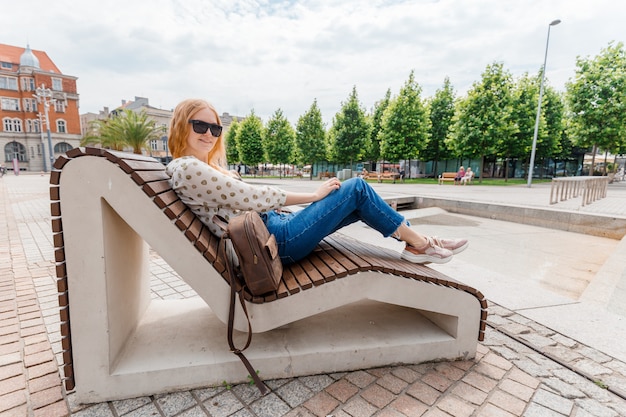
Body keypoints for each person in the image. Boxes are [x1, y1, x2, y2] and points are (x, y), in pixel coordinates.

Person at [165, 99, 468, 265]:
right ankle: (420, 244)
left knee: (357, 200)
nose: (209, 134)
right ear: (182, 126)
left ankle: (420, 241)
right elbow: (252, 196)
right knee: (356, 188)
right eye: (200, 125)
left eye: (215, 128)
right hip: (274, 242)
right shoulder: (187, 168)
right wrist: (313, 195)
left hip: (273, 230)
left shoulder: (201, 166)